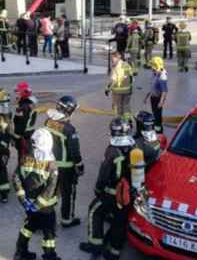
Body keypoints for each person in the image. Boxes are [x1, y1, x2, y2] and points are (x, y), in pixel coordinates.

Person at [80, 117, 134, 259]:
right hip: (127, 195)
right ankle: (114, 252)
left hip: (111, 193)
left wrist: (98, 190)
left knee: (94, 211)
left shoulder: (112, 151)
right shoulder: (134, 146)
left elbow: (104, 174)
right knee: (119, 221)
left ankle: (95, 245)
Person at [13, 128, 61, 260]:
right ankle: (49, 255)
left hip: (29, 204)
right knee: (49, 231)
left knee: (28, 226)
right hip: (46, 207)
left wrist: (23, 199)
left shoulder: (25, 159)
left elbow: (16, 177)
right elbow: (50, 189)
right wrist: (38, 205)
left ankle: (20, 252)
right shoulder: (51, 165)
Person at [43, 95, 84, 227]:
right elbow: (74, 152)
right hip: (66, 168)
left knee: (49, 192)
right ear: (69, 110)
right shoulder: (69, 130)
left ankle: (40, 219)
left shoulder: (48, 121)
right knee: (68, 193)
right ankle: (67, 220)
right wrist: (79, 165)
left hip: (50, 164)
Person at [13, 81, 38, 165]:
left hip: (23, 136)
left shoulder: (22, 108)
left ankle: (21, 176)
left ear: (23, 92)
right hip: (30, 134)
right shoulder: (31, 102)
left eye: (18, 92)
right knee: (28, 155)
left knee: (22, 158)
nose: (16, 94)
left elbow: (19, 125)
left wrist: (15, 138)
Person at [143, 57, 167, 135]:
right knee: (154, 114)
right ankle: (156, 128)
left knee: (157, 116)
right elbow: (152, 87)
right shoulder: (154, 74)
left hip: (158, 98)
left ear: (157, 65)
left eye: (153, 66)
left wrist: (161, 102)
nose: (151, 68)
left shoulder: (162, 76)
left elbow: (164, 91)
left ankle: (159, 131)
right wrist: (146, 97)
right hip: (153, 97)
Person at [106, 51, 133, 119]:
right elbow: (131, 76)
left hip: (118, 91)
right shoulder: (126, 64)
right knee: (126, 106)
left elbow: (114, 80)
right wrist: (130, 87)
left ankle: (119, 121)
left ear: (117, 57)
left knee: (117, 107)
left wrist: (108, 89)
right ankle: (127, 121)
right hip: (128, 90)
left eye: (113, 58)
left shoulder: (117, 67)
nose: (112, 60)